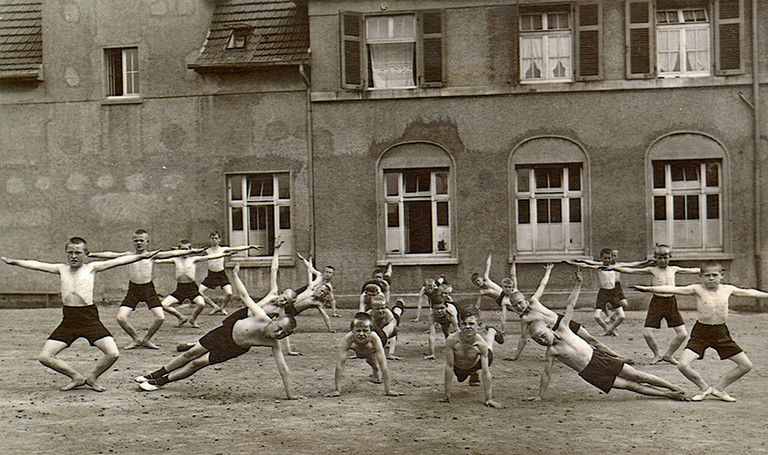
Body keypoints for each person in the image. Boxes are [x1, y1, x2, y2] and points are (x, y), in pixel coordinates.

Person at [2, 237, 157, 391]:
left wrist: (142, 256)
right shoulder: (61, 269)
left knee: (113, 353)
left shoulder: (92, 268)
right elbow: (36, 264)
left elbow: (118, 261)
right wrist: (14, 261)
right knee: (45, 357)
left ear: (85, 254)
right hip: (69, 320)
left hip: (89, 318)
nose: (73, 256)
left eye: (78, 252)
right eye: (70, 252)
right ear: (66, 254)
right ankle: (76, 377)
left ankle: (92, 378)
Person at [135, 263, 300, 399]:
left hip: (233, 348)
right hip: (225, 332)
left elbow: (283, 368)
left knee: (197, 363)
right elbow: (244, 296)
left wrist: (290, 395)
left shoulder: (273, 342)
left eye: (283, 335)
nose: (278, 334)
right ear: (274, 321)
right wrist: (235, 275)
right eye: (279, 329)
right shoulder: (261, 317)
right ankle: (155, 374)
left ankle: (160, 382)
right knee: (190, 354)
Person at [526, 267, 687, 402]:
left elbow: (570, 304)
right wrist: (540, 396)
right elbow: (546, 373)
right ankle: (667, 394)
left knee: (638, 375)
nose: (541, 339)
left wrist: (578, 284)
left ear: (548, 327)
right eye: (537, 340)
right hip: (590, 372)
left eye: (541, 334)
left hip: (600, 358)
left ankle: (672, 386)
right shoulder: (552, 352)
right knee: (631, 386)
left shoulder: (563, 328)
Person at [632, 262, 768, 402]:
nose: (711, 278)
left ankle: (719, 389)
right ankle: (704, 388)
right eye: (707, 275)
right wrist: (648, 288)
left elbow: (750, 292)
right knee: (683, 365)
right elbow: (672, 289)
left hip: (721, 333)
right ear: (700, 277)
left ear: (721, 275)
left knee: (746, 365)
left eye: (714, 275)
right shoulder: (696, 289)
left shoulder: (728, 289)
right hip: (701, 333)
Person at [88, 229, 204, 349]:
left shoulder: (152, 255)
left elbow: (172, 253)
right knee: (121, 318)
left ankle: (147, 339)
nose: (139, 243)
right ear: (133, 242)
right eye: (136, 240)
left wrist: (194, 251)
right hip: (133, 290)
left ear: (147, 242)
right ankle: (136, 339)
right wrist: (92, 254)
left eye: (141, 240)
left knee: (160, 317)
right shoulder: (129, 255)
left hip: (148, 289)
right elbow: (111, 255)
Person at [507, 263, 631, 363]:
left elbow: (542, 285)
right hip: (557, 332)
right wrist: (515, 356)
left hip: (563, 321)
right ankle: (605, 361)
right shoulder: (525, 318)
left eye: (519, 302)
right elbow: (523, 338)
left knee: (592, 340)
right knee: (581, 350)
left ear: (524, 299)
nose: (518, 306)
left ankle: (619, 358)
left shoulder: (534, 301)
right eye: (515, 305)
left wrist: (548, 271)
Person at [607, 244, 700, 364]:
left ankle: (668, 355)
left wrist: (708, 270)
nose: (662, 260)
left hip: (671, 303)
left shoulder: (673, 269)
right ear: (655, 258)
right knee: (647, 333)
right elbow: (632, 271)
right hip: (657, 303)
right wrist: (613, 268)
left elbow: (691, 270)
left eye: (665, 257)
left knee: (682, 334)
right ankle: (657, 354)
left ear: (670, 257)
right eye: (659, 258)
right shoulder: (652, 270)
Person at [156, 240, 248, 330]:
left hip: (192, 288)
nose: (185, 252)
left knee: (201, 304)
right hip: (180, 288)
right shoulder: (175, 259)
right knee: (164, 305)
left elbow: (211, 257)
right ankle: (181, 317)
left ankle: (193, 319)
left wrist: (225, 254)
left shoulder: (194, 259)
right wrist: (151, 259)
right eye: (183, 249)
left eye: (187, 249)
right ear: (178, 250)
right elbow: (160, 260)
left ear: (191, 250)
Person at [570, 249, 652, 335]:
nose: (607, 260)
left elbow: (631, 264)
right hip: (603, 293)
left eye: (609, 258)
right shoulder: (599, 267)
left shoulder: (615, 266)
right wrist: (574, 262)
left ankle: (612, 329)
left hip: (613, 293)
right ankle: (606, 329)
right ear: (601, 258)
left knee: (622, 316)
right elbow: (586, 264)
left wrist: (646, 262)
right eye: (605, 258)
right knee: (597, 316)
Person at [325, 312, 403, 397]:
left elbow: (383, 365)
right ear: (352, 331)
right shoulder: (347, 339)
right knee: (366, 355)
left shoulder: (375, 338)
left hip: (381, 338)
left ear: (370, 331)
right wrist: (337, 390)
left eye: (365, 331)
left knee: (388, 330)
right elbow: (340, 365)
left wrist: (388, 390)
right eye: (358, 331)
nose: (361, 334)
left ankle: (394, 318)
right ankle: (375, 370)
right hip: (362, 348)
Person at [441, 307, 503, 407]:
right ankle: (472, 373)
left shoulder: (480, 344)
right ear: (459, 325)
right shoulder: (452, 340)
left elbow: (486, 373)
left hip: (476, 362)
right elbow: (449, 367)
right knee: (460, 378)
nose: (468, 327)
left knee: (488, 348)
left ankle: (492, 331)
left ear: (478, 325)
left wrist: (488, 399)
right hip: (460, 365)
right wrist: (446, 394)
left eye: (471, 324)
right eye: (464, 324)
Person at [198, 231, 260, 315]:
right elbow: (192, 251)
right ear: (210, 239)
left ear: (219, 240)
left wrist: (250, 247)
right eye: (212, 238)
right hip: (211, 275)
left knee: (229, 293)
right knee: (199, 292)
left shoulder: (223, 249)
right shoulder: (207, 251)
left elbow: (238, 248)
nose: (214, 240)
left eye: (216, 238)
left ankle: (222, 308)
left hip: (221, 274)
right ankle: (215, 307)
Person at [367, 294, 405, 360]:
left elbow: (393, 330)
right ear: (372, 308)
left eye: (382, 308)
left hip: (390, 321)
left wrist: (390, 353)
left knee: (397, 311)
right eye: (377, 309)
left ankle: (400, 302)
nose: (380, 311)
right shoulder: (368, 315)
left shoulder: (387, 312)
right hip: (377, 328)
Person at [424, 294, 459, 362]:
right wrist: (431, 354)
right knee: (445, 332)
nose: (439, 311)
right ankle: (448, 344)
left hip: (454, 314)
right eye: (436, 309)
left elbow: (456, 329)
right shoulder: (431, 315)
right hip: (443, 319)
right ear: (432, 308)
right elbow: (432, 335)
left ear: (446, 307)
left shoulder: (451, 311)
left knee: (460, 331)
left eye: (442, 308)